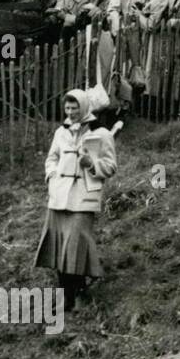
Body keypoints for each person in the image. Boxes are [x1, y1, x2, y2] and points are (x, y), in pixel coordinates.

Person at [35, 88, 117, 311]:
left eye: (75, 108)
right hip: (59, 197)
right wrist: (52, 176)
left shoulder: (101, 133)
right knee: (59, 247)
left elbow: (110, 167)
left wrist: (91, 165)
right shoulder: (61, 132)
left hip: (83, 197)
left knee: (76, 247)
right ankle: (65, 299)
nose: (70, 112)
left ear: (84, 107)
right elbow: (51, 158)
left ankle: (79, 294)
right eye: (68, 107)